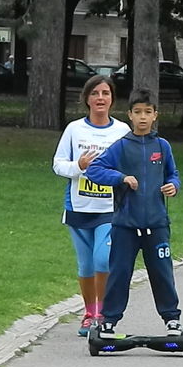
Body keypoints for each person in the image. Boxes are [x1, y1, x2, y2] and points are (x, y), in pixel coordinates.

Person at [85, 88, 182, 339]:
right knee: (119, 273)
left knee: (162, 272)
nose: (142, 118)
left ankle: (172, 318)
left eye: (147, 113)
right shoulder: (120, 147)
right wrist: (120, 178)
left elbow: (173, 174)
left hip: (157, 224)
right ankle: (109, 321)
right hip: (125, 225)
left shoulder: (162, 146)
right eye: (137, 112)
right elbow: (94, 170)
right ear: (129, 115)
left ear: (155, 116)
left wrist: (174, 185)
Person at [52, 75, 130, 337]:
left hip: (109, 209)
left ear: (112, 99)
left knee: (102, 259)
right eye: (95, 93)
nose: (100, 98)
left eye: (105, 93)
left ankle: (103, 312)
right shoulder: (74, 129)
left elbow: (130, 164)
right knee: (85, 266)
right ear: (86, 99)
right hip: (78, 207)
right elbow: (58, 164)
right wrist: (79, 167)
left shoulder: (121, 131)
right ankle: (90, 312)